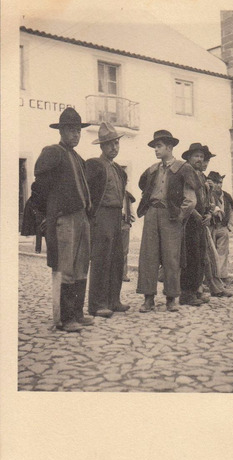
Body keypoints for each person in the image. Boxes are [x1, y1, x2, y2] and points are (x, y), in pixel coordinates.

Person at [29, 107, 93, 332]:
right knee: (65, 267)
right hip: (64, 218)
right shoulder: (53, 152)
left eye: (78, 131)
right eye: (71, 130)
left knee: (81, 266)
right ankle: (65, 318)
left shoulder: (78, 158)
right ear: (61, 131)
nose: (75, 135)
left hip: (82, 217)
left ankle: (77, 312)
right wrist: (46, 214)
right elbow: (39, 188)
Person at [136, 130, 197, 312]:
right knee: (148, 256)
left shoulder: (183, 168)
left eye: (159, 146)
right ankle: (148, 299)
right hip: (152, 214)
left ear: (170, 147)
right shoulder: (152, 170)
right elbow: (143, 187)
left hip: (171, 216)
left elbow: (191, 199)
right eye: (155, 146)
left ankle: (171, 298)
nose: (156, 150)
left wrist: (179, 216)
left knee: (171, 257)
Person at [86, 122, 129, 318]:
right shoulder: (94, 165)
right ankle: (97, 304)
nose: (114, 148)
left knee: (117, 259)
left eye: (116, 144)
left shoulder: (119, 169)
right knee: (101, 259)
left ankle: (114, 300)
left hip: (116, 216)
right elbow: (87, 193)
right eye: (110, 144)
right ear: (102, 147)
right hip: (101, 215)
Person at [179, 143, 212, 306]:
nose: (199, 159)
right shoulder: (185, 172)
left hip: (200, 222)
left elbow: (204, 199)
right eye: (196, 156)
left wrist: (208, 214)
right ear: (189, 158)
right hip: (189, 221)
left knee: (200, 257)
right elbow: (184, 199)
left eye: (201, 156)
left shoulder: (200, 175)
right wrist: (197, 215)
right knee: (190, 257)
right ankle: (186, 294)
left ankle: (196, 291)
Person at [208, 171, 233, 283]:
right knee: (210, 253)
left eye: (220, 182)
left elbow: (232, 210)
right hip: (211, 227)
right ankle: (211, 279)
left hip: (222, 227)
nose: (219, 185)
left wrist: (229, 225)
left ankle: (222, 277)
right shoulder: (208, 194)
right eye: (216, 182)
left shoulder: (227, 196)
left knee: (223, 252)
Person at [121, 189, 136, 281]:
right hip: (112, 223)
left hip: (124, 225)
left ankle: (123, 274)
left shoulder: (127, 195)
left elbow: (132, 214)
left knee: (124, 251)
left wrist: (128, 223)